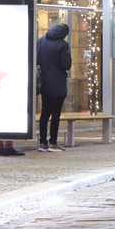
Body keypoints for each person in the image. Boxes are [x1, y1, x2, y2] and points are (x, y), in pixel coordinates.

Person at [37, 23, 72, 152]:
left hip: (45, 82)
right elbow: (66, 64)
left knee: (44, 113)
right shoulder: (63, 45)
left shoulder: (41, 41)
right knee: (56, 114)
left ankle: (42, 143)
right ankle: (53, 142)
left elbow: (36, 59)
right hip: (58, 84)